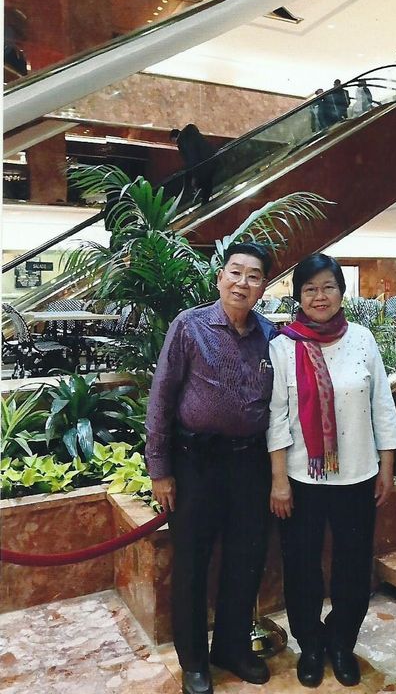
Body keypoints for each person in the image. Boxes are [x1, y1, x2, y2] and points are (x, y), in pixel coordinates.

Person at [266, 254, 396, 689]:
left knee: (353, 565)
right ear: (298, 296)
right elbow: (276, 416)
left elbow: (381, 403)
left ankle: (342, 643)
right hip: (301, 479)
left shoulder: (362, 339)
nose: (319, 296)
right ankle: (310, 645)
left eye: (328, 286)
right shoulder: (283, 346)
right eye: (310, 289)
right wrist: (279, 480)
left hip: (358, 475)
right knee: (301, 566)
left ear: (342, 292)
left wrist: (387, 464)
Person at [145, 242, 276, 694]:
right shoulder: (189, 326)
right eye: (235, 272)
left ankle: (232, 649)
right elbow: (161, 398)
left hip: (250, 463)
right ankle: (194, 662)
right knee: (192, 563)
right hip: (195, 463)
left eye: (253, 276)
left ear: (263, 287)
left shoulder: (270, 335)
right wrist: (160, 469)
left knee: (245, 558)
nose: (242, 283)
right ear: (220, 278)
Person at [170, 124, 217, 205]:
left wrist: (194, 175)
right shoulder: (191, 135)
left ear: (174, 138)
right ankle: (205, 199)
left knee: (203, 182)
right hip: (210, 159)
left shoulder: (182, 142)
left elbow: (192, 158)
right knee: (208, 182)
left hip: (201, 165)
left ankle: (204, 200)